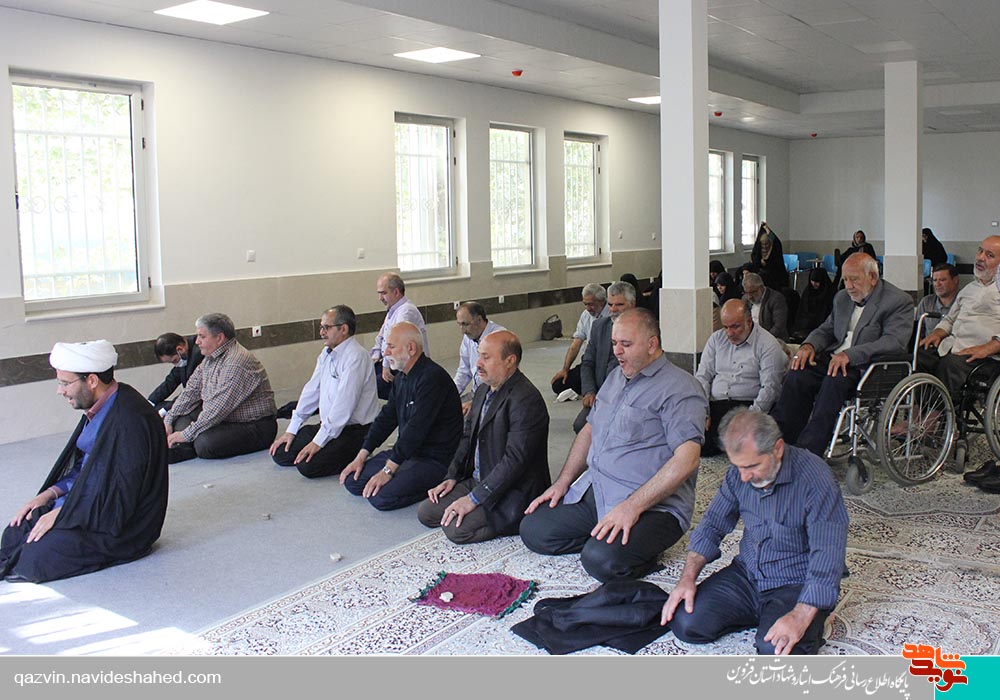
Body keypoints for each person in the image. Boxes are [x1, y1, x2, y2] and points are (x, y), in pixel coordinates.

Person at [520, 308, 708, 582]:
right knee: (533, 529)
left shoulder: (680, 388)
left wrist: (632, 507)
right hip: (599, 491)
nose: (617, 351)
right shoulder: (616, 377)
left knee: (600, 561)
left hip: (651, 506)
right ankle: (606, 538)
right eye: (614, 343)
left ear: (652, 344)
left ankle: (623, 548)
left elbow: (687, 460)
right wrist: (563, 482)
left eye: (626, 344)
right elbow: (590, 430)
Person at [661, 409, 848, 656]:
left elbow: (828, 554)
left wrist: (802, 614)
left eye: (752, 466)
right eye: (738, 466)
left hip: (795, 582)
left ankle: (814, 618)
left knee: (775, 651)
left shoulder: (815, 479)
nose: (744, 476)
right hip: (748, 574)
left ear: (777, 448)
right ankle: (766, 616)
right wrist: (687, 579)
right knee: (686, 623)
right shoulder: (739, 474)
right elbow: (712, 524)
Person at [1, 340, 168, 583]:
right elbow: (84, 468)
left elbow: (120, 494)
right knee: (16, 531)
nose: (60, 391)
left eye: (65, 383)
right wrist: (48, 496)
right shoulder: (102, 404)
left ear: (91, 380)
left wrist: (63, 513)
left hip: (119, 523)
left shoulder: (129, 420)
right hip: (88, 502)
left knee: (34, 557)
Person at [771, 253, 913, 456]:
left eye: (854, 279)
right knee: (798, 373)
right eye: (845, 279)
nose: (848, 286)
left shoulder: (898, 301)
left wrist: (851, 354)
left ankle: (808, 451)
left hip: (868, 366)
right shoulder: (842, 298)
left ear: (873, 277)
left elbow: (894, 342)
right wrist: (809, 345)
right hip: (835, 360)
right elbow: (827, 329)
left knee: (833, 382)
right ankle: (780, 440)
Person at [418, 331, 550, 543]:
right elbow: (466, 438)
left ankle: (516, 520)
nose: (478, 363)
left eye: (486, 357)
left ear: (510, 361)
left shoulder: (526, 399)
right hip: (481, 477)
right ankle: (479, 506)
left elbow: (514, 461)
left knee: (456, 530)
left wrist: (473, 499)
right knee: (427, 512)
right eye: (479, 355)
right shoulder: (482, 390)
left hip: (511, 489)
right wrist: (452, 476)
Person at [341, 322, 463, 511]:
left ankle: (435, 483)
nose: (386, 352)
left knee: (380, 497)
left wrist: (388, 470)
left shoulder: (432, 378)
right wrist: (361, 455)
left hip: (434, 459)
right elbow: (386, 418)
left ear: (411, 348)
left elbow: (416, 429)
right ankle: (403, 472)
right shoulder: (402, 378)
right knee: (353, 481)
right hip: (410, 453)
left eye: (391, 346)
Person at [270, 306, 379, 479]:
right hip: (328, 425)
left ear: (343, 329)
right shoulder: (327, 353)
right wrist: (291, 429)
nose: (321, 332)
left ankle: (358, 454)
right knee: (281, 452)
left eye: (326, 327)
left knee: (307, 466)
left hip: (354, 430)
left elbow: (344, 405)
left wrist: (318, 442)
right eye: (321, 327)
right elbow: (312, 390)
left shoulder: (356, 357)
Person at [163, 313, 278, 464]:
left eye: (202, 336)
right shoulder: (210, 358)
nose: (197, 342)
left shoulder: (236, 362)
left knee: (204, 443)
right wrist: (169, 419)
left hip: (255, 425)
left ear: (219, 338)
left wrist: (185, 434)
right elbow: (190, 391)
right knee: (181, 417)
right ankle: (184, 445)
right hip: (226, 418)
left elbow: (217, 410)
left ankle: (184, 446)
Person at [696, 300, 787, 456]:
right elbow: (703, 376)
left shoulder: (768, 345)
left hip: (748, 405)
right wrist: (702, 410)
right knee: (696, 443)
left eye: (735, 327)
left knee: (747, 446)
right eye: (725, 327)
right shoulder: (716, 339)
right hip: (717, 403)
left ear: (749, 322)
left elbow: (770, 389)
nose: (729, 333)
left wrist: (748, 420)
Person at [918, 237, 1000, 401]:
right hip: (953, 347)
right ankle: (918, 409)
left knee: (950, 365)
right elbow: (949, 319)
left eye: (989, 255)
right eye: (980, 251)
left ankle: (935, 414)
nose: (980, 258)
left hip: (987, 357)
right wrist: (938, 332)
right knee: (919, 356)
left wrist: (990, 347)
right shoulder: (969, 289)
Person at [575, 281, 636, 433]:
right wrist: (589, 391)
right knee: (581, 426)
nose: (613, 310)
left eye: (619, 305)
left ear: (632, 304)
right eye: (610, 304)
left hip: (629, 398)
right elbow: (587, 362)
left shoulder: (643, 330)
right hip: (600, 395)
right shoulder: (599, 326)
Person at [371, 273, 429, 400]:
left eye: (383, 293)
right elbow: (381, 337)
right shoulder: (393, 310)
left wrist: (386, 366)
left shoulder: (406, 311)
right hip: (391, 360)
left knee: (369, 387)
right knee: (364, 376)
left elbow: (397, 342)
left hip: (405, 365)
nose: (380, 298)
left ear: (396, 292)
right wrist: (375, 356)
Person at [550, 283, 609, 398]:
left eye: (591, 304)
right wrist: (565, 369)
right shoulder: (586, 315)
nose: (588, 308)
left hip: (607, 363)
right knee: (558, 385)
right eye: (585, 304)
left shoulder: (611, 314)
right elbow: (576, 345)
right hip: (589, 362)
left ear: (602, 301)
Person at [452, 301, 505, 414]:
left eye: (465, 324)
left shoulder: (499, 337)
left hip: (496, 396)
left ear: (479, 320)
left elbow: (502, 381)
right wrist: (450, 393)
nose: (462, 331)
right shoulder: (468, 338)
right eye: (459, 325)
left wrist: (477, 404)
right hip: (477, 393)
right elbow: (464, 371)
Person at [147, 332, 204, 415]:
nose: (175, 364)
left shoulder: (199, 353)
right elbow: (171, 381)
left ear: (180, 350)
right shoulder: (183, 356)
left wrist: (164, 411)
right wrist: (149, 403)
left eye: (174, 360)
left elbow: (192, 392)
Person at [914, 263, 960, 337]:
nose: (937, 284)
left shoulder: (965, 301)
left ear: (955, 280)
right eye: (935, 280)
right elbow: (917, 333)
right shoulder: (926, 302)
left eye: (942, 280)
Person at [742, 271, 788, 341]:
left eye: (752, 292)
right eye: (746, 293)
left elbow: (778, 326)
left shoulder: (776, 299)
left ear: (761, 288)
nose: (749, 297)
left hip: (774, 340)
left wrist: (762, 340)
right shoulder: (745, 299)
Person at [791, 267, 835, 342]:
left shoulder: (830, 294)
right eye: (812, 281)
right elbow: (801, 312)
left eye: (817, 282)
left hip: (822, 328)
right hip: (805, 326)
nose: (814, 284)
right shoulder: (808, 292)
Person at [750, 223, 788, 290]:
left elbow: (776, 242)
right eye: (762, 245)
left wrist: (768, 231)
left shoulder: (774, 250)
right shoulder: (757, 252)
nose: (764, 247)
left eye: (766, 244)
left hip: (775, 280)